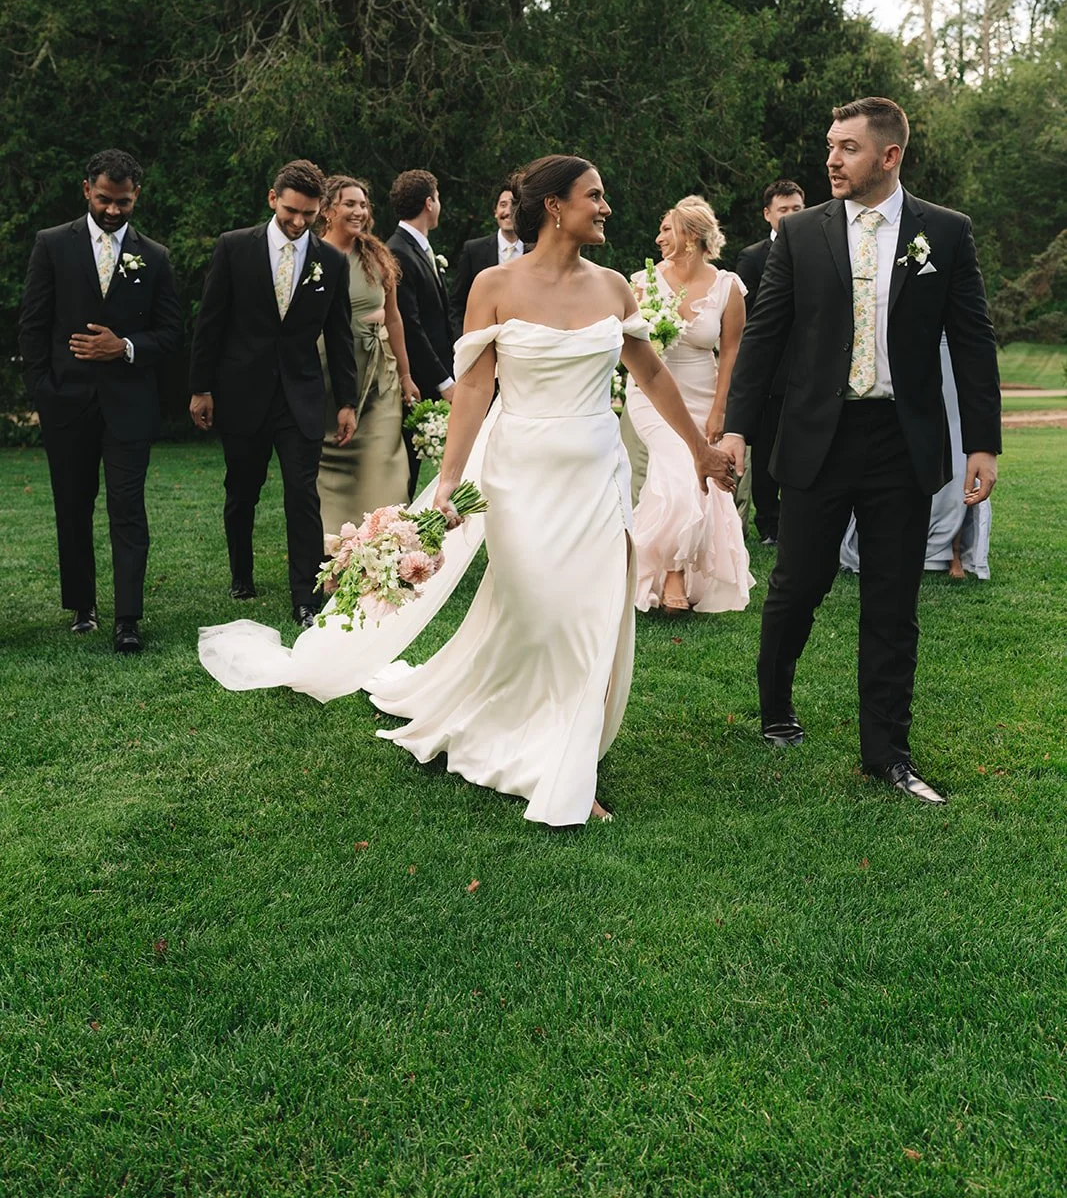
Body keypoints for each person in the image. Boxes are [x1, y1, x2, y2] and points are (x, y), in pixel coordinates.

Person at [199, 155, 735, 826]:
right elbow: (476, 387)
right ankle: (530, 738)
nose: (604, 208)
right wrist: (450, 480)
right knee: (541, 612)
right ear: (553, 207)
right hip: (521, 476)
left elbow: (652, 377)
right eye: (593, 196)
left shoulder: (613, 289)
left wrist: (700, 453)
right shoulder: (492, 285)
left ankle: (566, 757)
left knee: (592, 614)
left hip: (596, 477)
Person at [722, 97, 1001, 804]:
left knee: (891, 599)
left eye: (846, 148)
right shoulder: (801, 234)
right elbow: (763, 340)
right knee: (798, 584)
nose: (830, 160)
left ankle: (886, 751)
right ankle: (775, 704)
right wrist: (735, 427)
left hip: (901, 442)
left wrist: (982, 444)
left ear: (888, 156)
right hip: (818, 434)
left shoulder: (943, 232)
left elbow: (971, 341)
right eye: (829, 146)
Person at [18, 149, 182, 653]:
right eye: (105, 199)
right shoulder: (51, 245)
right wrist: (45, 391)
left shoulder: (154, 257)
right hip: (66, 402)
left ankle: (127, 618)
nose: (113, 210)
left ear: (137, 197)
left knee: (127, 508)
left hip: (129, 405)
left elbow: (173, 335)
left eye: (124, 202)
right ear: (87, 189)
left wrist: (125, 347)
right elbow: (33, 324)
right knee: (73, 505)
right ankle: (83, 605)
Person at [188, 160, 358, 626]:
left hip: (300, 396)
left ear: (320, 209)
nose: (298, 222)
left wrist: (347, 400)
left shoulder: (332, 261)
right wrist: (200, 388)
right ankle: (241, 572)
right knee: (242, 489)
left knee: (302, 495)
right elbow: (211, 323)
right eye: (290, 212)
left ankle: (304, 595)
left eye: (307, 214)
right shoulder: (234, 248)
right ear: (272, 199)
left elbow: (340, 335)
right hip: (241, 392)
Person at [627, 197, 753, 613]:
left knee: (699, 478)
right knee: (680, 464)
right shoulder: (641, 282)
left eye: (667, 229)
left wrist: (721, 410)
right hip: (650, 395)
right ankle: (675, 574)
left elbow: (731, 352)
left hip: (703, 392)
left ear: (692, 236)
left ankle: (661, 570)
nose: (659, 237)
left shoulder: (728, 287)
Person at [840, 333, 992, 580]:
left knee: (954, 448)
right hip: (904, 352)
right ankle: (879, 540)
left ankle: (954, 550)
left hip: (952, 349)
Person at [316, 176, 418, 534]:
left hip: (379, 376)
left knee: (385, 466)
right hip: (327, 376)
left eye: (363, 204)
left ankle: (384, 547)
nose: (359, 211)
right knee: (329, 474)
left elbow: (394, 318)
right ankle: (334, 551)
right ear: (328, 210)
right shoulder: (312, 256)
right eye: (349, 204)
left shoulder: (376, 257)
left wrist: (405, 376)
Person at [734, 179, 806, 546]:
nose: (791, 216)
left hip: (810, 368)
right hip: (772, 372)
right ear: (768, 214)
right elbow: (749, 322)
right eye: (783, 210)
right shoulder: (753, 257)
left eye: (797, 209)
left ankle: (799, 518)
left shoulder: (818, 248)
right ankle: (769, 524)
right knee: (764, 452)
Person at [387, 169, 455, 497]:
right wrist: (443, 382)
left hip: (434, 370)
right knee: (405, 472)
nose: (439, 205)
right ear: (429, 203)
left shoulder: (421, 248)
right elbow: (409, 325)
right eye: (438, 198)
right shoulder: (398, 251)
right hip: (414, 380)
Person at [448, 185, 525, 338]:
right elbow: (457, 304)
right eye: (503, 205)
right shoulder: (473, 250)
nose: (508, 211)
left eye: (514, 205)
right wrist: (462, 342)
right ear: (495, 211)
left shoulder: (535, 250)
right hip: (481, 342)